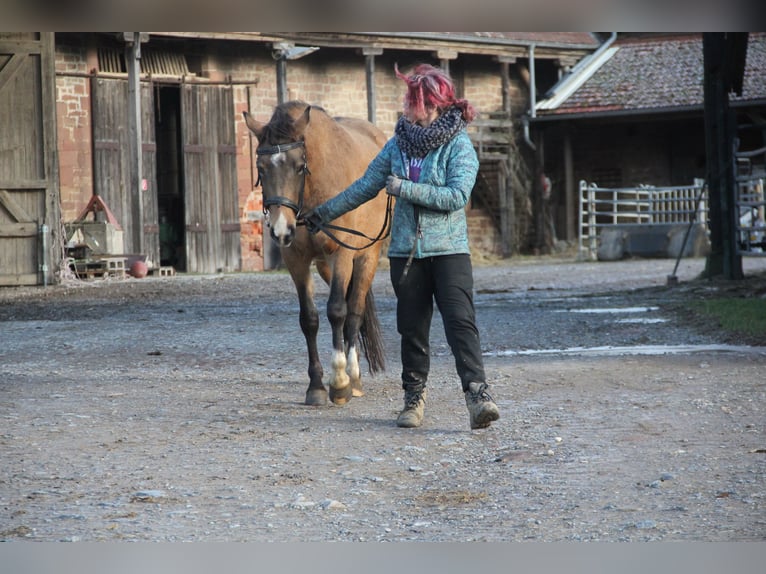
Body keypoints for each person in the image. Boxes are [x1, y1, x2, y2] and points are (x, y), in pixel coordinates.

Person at [303, 63, 499, 430]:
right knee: (411, 329)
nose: (408, 105)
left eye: (415, 99)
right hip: (406, 254)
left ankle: (478, 396)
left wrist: (405, 189)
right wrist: (323, 212)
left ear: (434, 103)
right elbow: (365, 186)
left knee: (461, 325)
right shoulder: (397, 146)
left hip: (449, 252)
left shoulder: (458, 145)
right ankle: (413, 400)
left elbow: (457, 196)